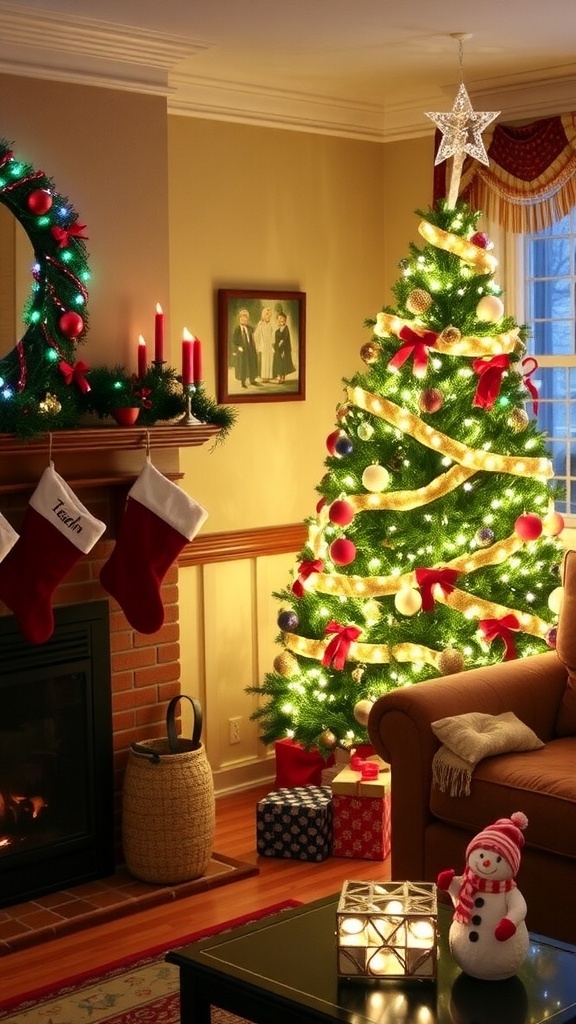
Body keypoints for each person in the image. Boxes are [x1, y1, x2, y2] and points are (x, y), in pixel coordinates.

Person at [231, 308, 259, 388]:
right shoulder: (237, 329)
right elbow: (233, 341)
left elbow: (252, 337)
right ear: (239, 319)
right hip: (242, 350)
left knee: (251, 364)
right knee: (243, 365)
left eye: (245, 318)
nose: (244, 320)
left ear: (247, 319)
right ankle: (243, 382)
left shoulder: (249, 328)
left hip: (250, 349)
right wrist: (237, 348)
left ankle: (252, 379)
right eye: (242, 318)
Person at [272, 311, 296, 383]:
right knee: (278, 362)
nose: (280, 321)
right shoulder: (277, 331)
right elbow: (276, 341)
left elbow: (285, 339)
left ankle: (283, 377)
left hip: (285, 349)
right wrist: (274, 346)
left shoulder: (286, 328)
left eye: (282, 319)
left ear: (284, 320)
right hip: (278, 350)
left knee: (283, 363)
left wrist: (281, 344)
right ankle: (279, 376)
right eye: (279, 319)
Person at [254, 306, 274, 381]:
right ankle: (263, 376)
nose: (268, 317)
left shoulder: (271, 325)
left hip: (268, 344)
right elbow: (256, 334)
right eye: (266, 315)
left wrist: (272, 344)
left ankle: (268, 376)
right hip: (263, 344)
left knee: (269, 360)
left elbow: (272, 335)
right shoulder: (260, 324)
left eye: (269, 315)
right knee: (263, 360)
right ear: (263, 315)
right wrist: (258, 342)